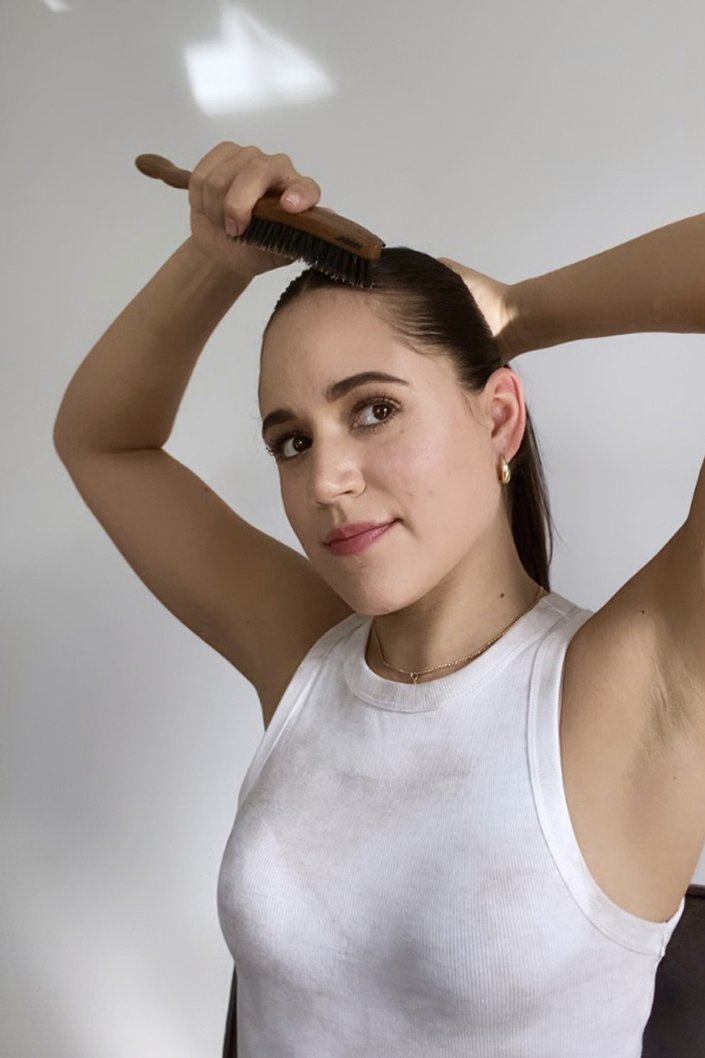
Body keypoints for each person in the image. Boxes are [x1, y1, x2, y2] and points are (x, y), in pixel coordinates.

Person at [54, 142, 705, 1057]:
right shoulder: (303, 655)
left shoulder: (639, 686)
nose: (326, 479)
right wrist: (213, 258)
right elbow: (104, 441)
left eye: (372, 410)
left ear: (498, 419)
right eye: (290, 440)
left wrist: (522, 310)